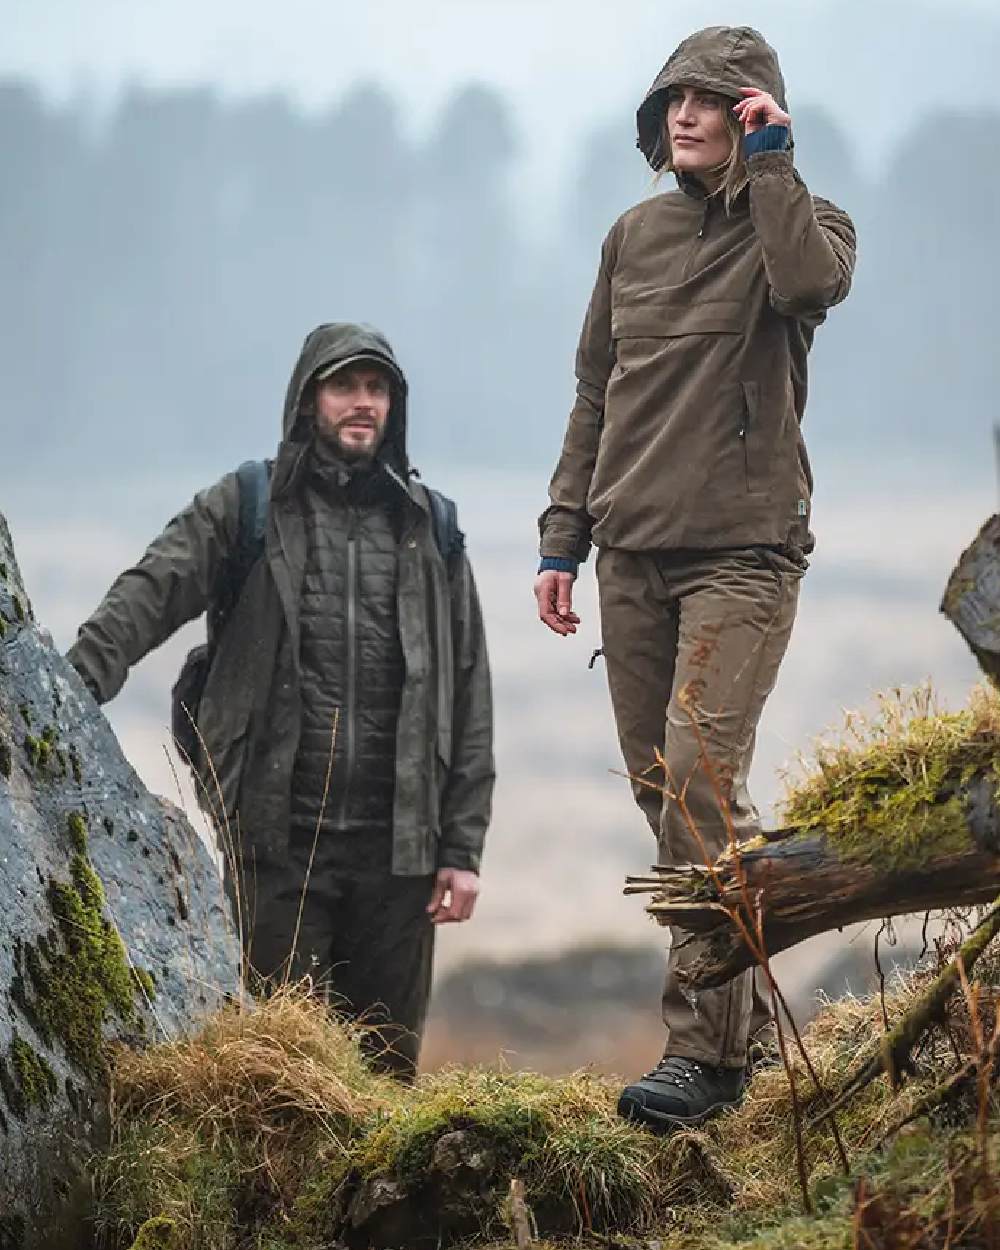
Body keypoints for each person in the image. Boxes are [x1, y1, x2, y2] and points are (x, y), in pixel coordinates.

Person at [534, 26, 855, 1130]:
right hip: (628, 552)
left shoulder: (801, 223)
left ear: (752, 114)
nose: (683, 113)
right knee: (664, 793)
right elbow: (593, 391)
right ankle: (745, 1029)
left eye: (710, 99)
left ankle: (704, 1058)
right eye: (672, 96)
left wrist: (773, 163)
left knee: (696, 781)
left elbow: (810, 283)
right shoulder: (631, 235)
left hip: (744, 551)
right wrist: (560, 538)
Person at [68, 322, 494, 1079]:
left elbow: (468, 694)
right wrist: (69, 691)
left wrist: (459, 850)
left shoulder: (432, 527)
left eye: (377, 389)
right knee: (284, 1083)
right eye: (345, 387)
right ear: (308, 401)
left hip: (400, 858)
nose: (362, 404)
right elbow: (150, 591)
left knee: (388, 1082)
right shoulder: (249, 506)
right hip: (279, 848)